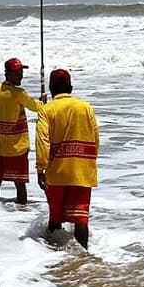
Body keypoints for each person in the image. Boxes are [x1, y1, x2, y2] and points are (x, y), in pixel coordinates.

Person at [35, 68, 99, 250]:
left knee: (55, 218)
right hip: (83, 171)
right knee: (81, 219)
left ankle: (51, 257)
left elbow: (42, 141)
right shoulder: (85, 107)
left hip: (57, 173)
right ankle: (84, 257)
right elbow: (96, 139)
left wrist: (41, 169)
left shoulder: (47, 110)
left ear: (51, 88)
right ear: (70, 87)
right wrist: (90, 163)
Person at [0, 57, 46, 204]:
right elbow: (37, 108)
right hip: (18, 147)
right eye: (17, 73)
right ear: (7, 74)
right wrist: (43, 101)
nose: (20, 76)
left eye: (20, 72)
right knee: (20, 184)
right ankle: (21, 211)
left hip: (0, 146)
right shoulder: (19, 93)